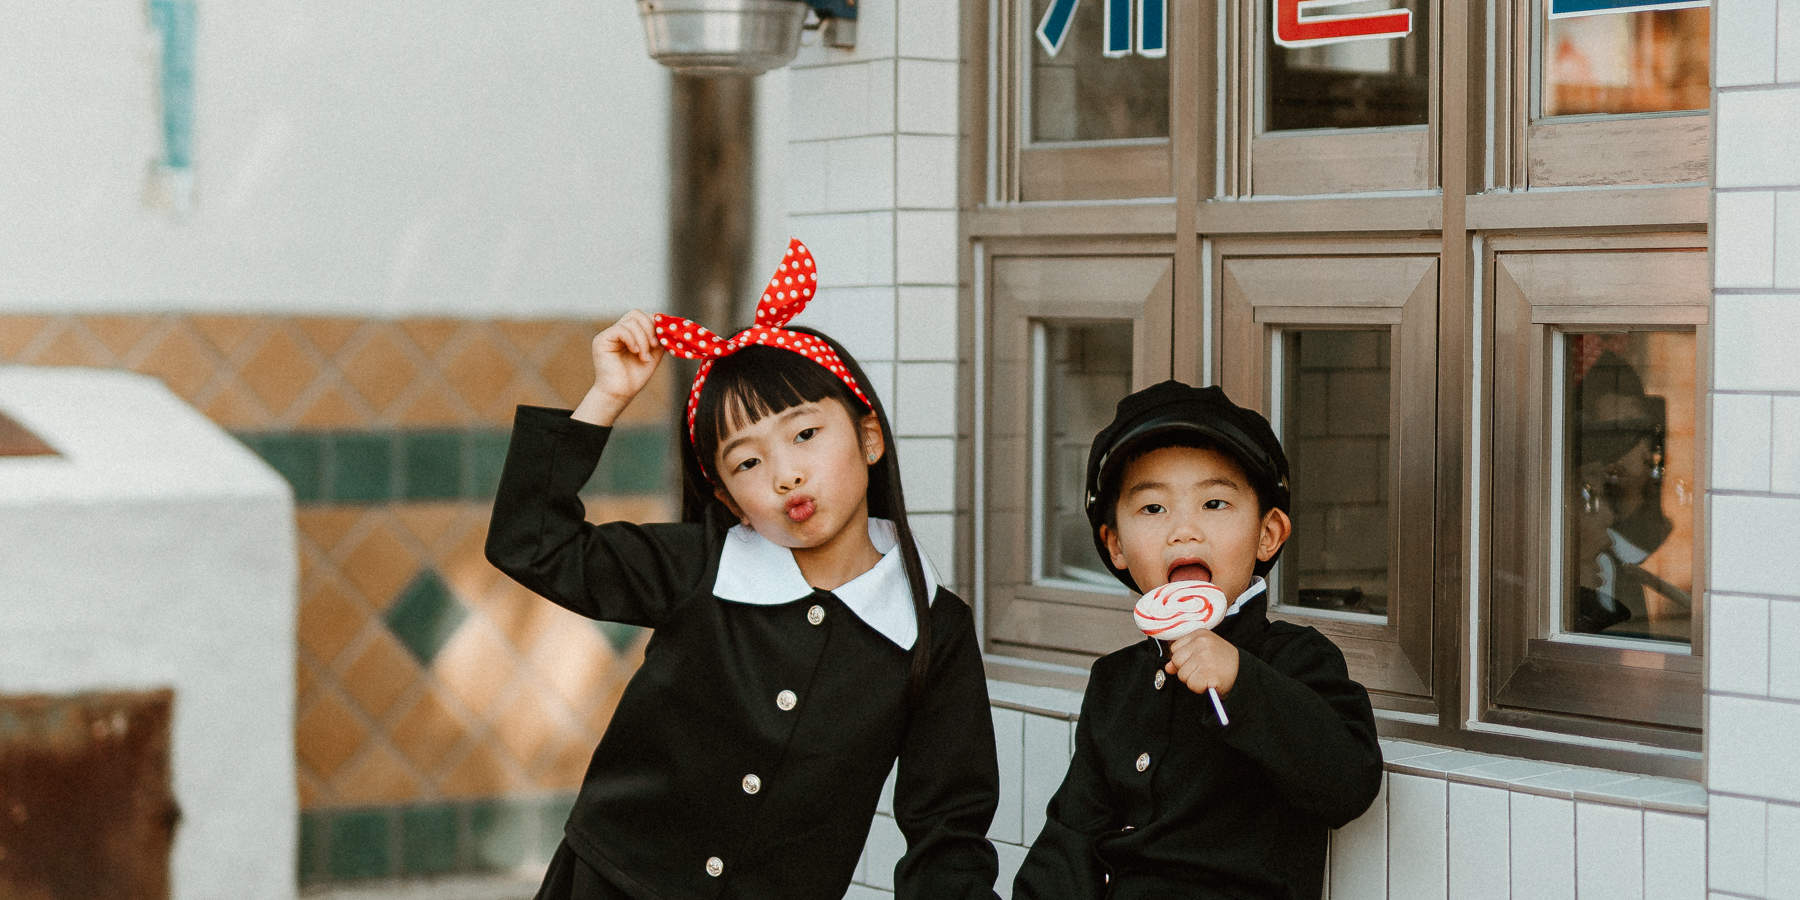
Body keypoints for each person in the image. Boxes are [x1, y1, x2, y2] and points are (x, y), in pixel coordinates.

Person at [485, 239, 1001, 899]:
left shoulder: (934, 629)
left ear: (869, 437)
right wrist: (607, 395)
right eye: (748, 462)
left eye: (805, 434)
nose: (786, 474)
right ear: (730, 501)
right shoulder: (702, 563)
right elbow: (533, 542)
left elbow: (947, 831)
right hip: (607, 883)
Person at [1012, 380, 1383, 900]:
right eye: (1153, 509)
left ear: (1268, 533)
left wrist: (1239, 679)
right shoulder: (1116, 681)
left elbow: (1347, 783)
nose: (1184, 531)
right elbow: (1071, 839)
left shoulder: (1296, 658)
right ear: (1115, 545)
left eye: (1213, 503)